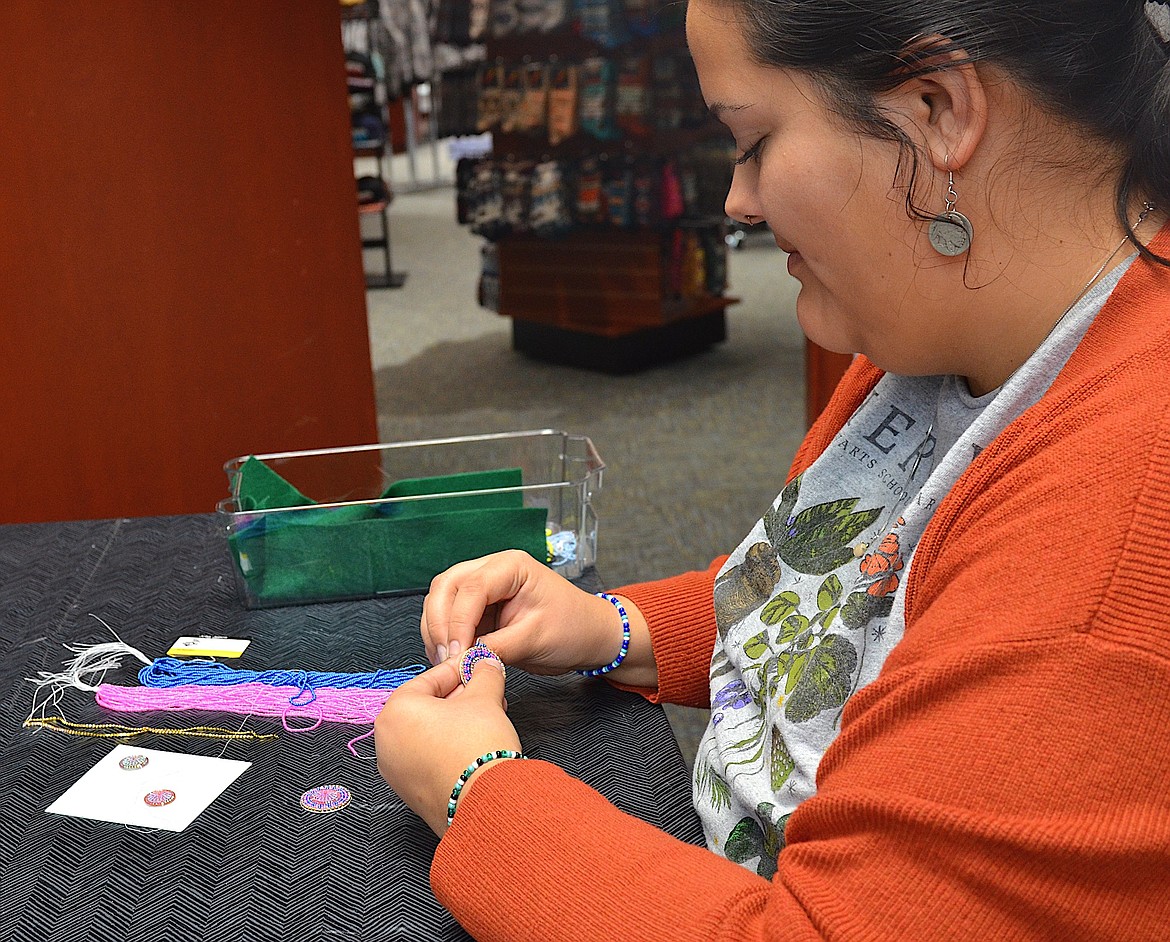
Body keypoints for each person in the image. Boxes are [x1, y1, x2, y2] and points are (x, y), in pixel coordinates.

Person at [376, 0, 1170, 937]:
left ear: (939, 111)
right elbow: (864, 597)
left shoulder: (1108, 535)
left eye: (752, 141)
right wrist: (616, 627)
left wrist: (478, 794)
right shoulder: (954, 325)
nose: (735, 199)